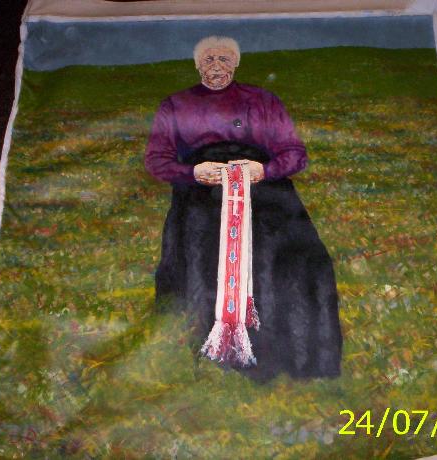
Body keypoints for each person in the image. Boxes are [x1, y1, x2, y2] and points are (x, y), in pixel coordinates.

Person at [144, 36, 342, 381]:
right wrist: (193, 173)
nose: (216, 66)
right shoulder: (175, 105)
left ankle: (284, 355)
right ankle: (207, 355)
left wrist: (264, 170)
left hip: (263, 190)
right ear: (196, 65)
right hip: (201, 194)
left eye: (223, 59)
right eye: (208, 60)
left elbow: (295, 154)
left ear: (235, 64)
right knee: (205, 255)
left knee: (296, 259)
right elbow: (156, 160)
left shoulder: (263, 100)